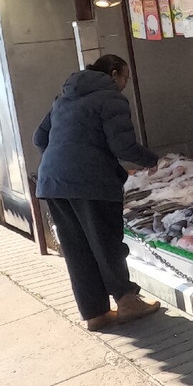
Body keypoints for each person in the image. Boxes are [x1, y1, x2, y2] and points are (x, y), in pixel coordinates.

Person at [34, 54, 162, 331]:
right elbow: (123, 146)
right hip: (91, 182)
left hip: (53, 181)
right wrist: (153, 160)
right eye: (125, 78)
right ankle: (127, 301)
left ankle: (95, 314)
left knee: (76, 248)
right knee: (106, 242)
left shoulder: (63, 98)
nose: (125, 84)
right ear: (114, 74)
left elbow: (39, 138)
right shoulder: (110, 98)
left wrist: (65, 161)